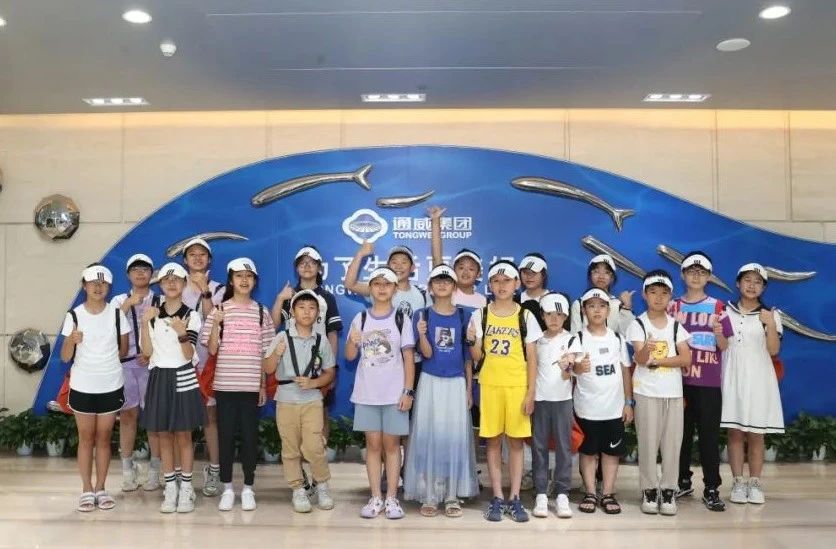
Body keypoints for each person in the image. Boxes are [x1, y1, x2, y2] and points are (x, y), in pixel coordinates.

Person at [468, 260, 543, 522]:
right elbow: (477, 356)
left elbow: (532, 358)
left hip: (517, 387)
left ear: (516, 284)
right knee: (492, 441)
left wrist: (530, 392)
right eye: (496, 281)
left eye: (507, 281)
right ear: (489, 284)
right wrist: (472, 341)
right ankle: (498, 497)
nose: (501, 286)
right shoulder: (480, 315)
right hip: (490, 385)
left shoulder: (526, 316)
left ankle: (515, 497)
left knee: (515, 443)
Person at [200, 258, 275, 512]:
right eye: (239, 276)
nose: (244, 280)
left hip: (251, 387)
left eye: (249, 276)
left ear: (255, 281)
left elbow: (266, 353)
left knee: (250, 439)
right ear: (231, 280)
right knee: (226, 438)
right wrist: (216, 323)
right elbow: (211, 349)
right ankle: (228, 489)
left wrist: (262, 385)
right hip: (225, 386)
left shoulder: (262, 312)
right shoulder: (219, 309)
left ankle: (249, 488)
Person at [404, 265, 479, 518]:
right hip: (430, 382)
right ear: (430, 287)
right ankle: (430, 495)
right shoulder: (421, 314)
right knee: (429, 436)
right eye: (437, 280)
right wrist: (422, 335)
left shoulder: (464, 315)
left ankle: (451, 495)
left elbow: (468, 357)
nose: (442, 284)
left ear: (454, 287)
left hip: (456, 383)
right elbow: (426, 354)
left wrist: (469, 389)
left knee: (454, 438)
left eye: (447, 281)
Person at [345, 267, 416, 519]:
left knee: (392, 446)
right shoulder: (361, 318)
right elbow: (349, 356)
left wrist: (408, 391)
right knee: (373, 446)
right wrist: (353, 341)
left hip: (394, 395)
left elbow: (408, 357)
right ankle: (376, 497)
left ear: (395, 289)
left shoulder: (402, 319)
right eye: (377, 283)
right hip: (367, 394)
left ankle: (392, 498)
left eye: (387, 284)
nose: (382, 288)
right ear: (370, 288)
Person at [60, 264, 130, 512]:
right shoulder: (74, 316)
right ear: (84, 286)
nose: (98, 287)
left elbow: (123, 350)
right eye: (93, 283)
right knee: (86, 437)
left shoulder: (117, 314)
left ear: (109, 287)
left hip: (110, 383)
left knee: (104, 437)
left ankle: (101, 487)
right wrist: (72, 340)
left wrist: (105, 363)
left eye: (103, 283)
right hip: (83, 384)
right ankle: (86, 489)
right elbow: (65, 356)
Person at [264, 289, 337, 513]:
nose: (306, 312)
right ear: (293, 312)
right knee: (290, 448)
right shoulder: (281, 337)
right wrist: (277, 353)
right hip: (286, 400)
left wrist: (315, 383)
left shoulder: (321, 340)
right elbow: (267, 368)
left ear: (318, 314)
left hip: (312, 400)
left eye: (312, 308)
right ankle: (298, 489)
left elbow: (329, 372)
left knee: (315, 446)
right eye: (301, 307)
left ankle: (322, 485)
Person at [139, 262, 204, 513]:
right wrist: (144, 323)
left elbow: (188, 355)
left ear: (184, 283)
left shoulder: (192, 315)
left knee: (184, 435)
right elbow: (147, 352)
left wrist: (181, 332)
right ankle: (171, 487)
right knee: (164, 435)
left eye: (176, 279)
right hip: (159, 376)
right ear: (160, 285)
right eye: (166, 280)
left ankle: (186, 488)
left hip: (183, 376)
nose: (171, 283)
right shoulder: (152, 315)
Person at [669, 251, 730, 511]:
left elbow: (724, 346)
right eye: (691, 272)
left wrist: (718, 333)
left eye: (702, 272)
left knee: (708, 437)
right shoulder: (672, 307)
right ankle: (681, 480)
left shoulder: (718, 307)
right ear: (683, 275)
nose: (696, 276)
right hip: (677, 382)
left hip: (708, 383)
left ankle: (712, 487)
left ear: (709, 277)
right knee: (679, 435)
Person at [627, 271, 691, 516]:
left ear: (670, 296)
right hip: (646, 392)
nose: (658, 297)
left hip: (673, 393)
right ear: (645, 295)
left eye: (664, 293)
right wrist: (647, 351)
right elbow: (641, 358)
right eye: (653, 292)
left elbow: (686, 358)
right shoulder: (638, 324)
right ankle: (649, 489)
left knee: (672, 444)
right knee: (648, 442)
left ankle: (668, 490)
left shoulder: (676, 326)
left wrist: (659, 360)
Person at [721, 263, 784, 505]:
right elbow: (722, 345)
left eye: (758, 282)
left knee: (757, 434)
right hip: (733, 377)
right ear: (738, 283)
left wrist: (770, 324)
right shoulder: (725, 311)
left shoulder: (771, 314)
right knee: (735, 432)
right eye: (747, 280)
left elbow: (774, 350)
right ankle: (738, 482)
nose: (752, 285)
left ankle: (755, 482)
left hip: (759, 379)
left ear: (763, 288)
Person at [568, 287, 633, 515]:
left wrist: (628, 402)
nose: (597, 310)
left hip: (613, 409)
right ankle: (589, 492)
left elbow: (625, 370)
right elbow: (570, 371)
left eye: (602, 306)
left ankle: (607, 493)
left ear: (608, 310)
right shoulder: (577, 339)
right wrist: (578, 367)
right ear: (584, 310)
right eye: (591, 306)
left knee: (611, 453)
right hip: (586, 408)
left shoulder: (617, 338)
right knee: (587, 452)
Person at [270, 245, 342, 445]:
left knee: (321, 412)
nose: (307, 266)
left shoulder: (327, 298)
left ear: (319, 268)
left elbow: (332, 334)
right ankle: (297, 461)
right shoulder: (289, 295)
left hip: (318, 365)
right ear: (296, 268)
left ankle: (318, 459)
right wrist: (280, 299)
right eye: (302, 263)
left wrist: (331, 368)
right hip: (291, 366)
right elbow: (274, 325)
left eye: (312, 263)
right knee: (292, 417)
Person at [110, 253, 160, 492]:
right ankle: (127, 471)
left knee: (153, 418)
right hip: (126, 365)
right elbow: (109, 328)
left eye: (145, 269)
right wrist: (127, 305)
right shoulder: (119, 300)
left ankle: (155, 472)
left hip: (153, 366)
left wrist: (152, 353)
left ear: (152, 274)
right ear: (128, 275)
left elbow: (168, 331)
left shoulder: (159, 299)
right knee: (128, 416)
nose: (140, 273)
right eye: (135, 269)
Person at [180, 238, 225, 496]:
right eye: (192, 254)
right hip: (180, 361)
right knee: (182, 419)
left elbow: (211, 319)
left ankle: (214, 470)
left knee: (210, 418)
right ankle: (180, 474)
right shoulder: (175, 285)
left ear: (209, 260)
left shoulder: (219, 289)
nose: (197, 258)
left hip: (208, 362)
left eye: (202, 254)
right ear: (185, 260)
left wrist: (205, 291)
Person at [531, 292, 575, 519]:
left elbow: (571, 374)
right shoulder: (536, 340)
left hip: (563, 401)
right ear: (542, 316)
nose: (554, 319)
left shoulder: (572, 339)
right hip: (540, 400)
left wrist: (567, 367)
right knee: (538, 447)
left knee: (563, 447)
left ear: (566, 316)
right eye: (549, 314)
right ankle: (540, 492)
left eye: (559, 315)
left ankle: (562, 493)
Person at [428, 205, 487, 309]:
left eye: (471, 269)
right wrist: (436, 221)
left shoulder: (483, 301)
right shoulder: (446, 292)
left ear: (478, 274)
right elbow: (436, 259)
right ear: (453, 270)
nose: (465, 272)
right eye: (461, 267)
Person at [569, 254, 635, 336]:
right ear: (590, 275)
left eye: (607, 272)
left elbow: (628, 335)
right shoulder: (579, 304)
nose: (601, 276)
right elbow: (574, 337)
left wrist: (627, 307)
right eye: (596, 271)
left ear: (612, 278)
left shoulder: (618, 305)